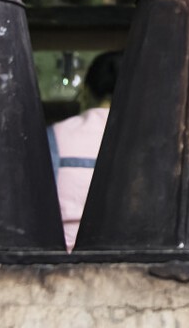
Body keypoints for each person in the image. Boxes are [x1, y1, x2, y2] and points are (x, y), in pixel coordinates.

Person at [47, 49, 120, 250]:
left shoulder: (56, 135)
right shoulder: (146, 139)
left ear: (86, 91)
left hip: (60, 260)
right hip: (123, 261)